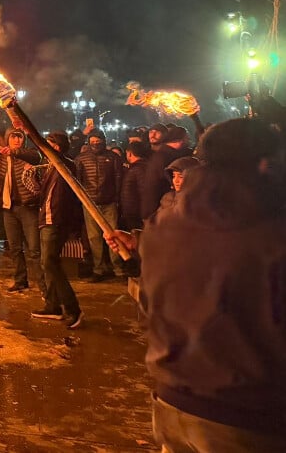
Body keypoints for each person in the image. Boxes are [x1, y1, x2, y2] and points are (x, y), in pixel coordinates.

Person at [106, 118, 286, 452]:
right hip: (245, 418)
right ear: (264, 163)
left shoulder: (163, 227)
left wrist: (139, 247)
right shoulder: (272, 237)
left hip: (173, 403)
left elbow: (149, 309)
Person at [23, 132, 84, 328]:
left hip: (56, 220)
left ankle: (72, 308)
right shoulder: (52, 166)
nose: (43, 149)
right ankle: (53, 306)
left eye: (48, 145)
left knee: (50, 263)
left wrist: (27, 131)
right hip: (47, 218)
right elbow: (44, 193)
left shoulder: (65, 164)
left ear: (56, 147)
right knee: (47, 263)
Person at [0, 127, 42, 293]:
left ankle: (44, 284)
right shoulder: (1, 158)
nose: (17, 140)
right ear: (7, 139)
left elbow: (37, 157)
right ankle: (20, 280)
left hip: (28, 207)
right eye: (13, 137)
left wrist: (15, 152)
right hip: (8, 208)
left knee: (34, 249)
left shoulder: (28, 155)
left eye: (19, 137)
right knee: (15, 248)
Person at [74, 129, 124, 282]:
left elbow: (118, 178)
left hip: (109, 202)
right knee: (94, 237)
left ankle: (118, 269)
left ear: (103, 141)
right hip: (90, 204)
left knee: (114, 235)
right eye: (93, 142)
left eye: (98, 141)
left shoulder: (113, 158)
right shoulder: (81, 159)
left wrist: (116, 198)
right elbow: (78, 180)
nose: (95, 144)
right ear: (89, 142)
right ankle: (99, 269)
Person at [139, 125, 192, 220]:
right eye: (187, 138)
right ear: (180, 140)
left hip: (157, 208)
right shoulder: (166, 157)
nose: (188, 141)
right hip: (158, 210)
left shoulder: (163, 154)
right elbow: (164, 184)